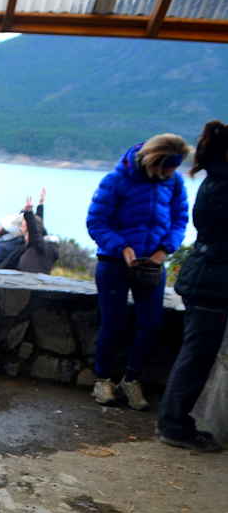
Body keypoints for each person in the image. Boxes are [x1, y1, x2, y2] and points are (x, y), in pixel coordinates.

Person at [87, 133, 190, 410]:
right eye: (166, 168)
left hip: (152, 264)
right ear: (153, 161)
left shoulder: (174, 182)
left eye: (174, 168)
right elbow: (96, 222)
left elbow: (180, 219)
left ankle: (131, 379)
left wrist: (164, 250)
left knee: (150, 324)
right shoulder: (115, 181)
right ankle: (103, 379)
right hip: (113, 262)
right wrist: (122, 247)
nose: (170, 174)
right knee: (113, 322)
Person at [157, 121, 228, 452]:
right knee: (196, 358)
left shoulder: (216, 180)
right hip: (212, 282)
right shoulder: (223, 186)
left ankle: (175, 422)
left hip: (206, 277)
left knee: (195, 356)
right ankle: (174, 425)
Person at [17, 189, 60, 274]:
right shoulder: (44, 247)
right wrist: (40, 204)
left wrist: (28, 213)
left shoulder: (40, 246)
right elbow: (38, 226)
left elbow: (35, 232)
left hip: (29, 280)